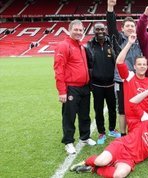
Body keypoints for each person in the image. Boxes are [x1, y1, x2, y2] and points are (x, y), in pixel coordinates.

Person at [70, 89, 148, 178]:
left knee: (119, 175)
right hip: (121, 145)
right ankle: (88, 161)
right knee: (100, 161)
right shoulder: (147, 118)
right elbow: (132, 102)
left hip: (131, 158)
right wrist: (147, 92)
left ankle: (93, 169)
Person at [53, 19, 96, 154]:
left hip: (84, 87)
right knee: (69, 116)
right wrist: (62, 91)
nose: (78, 32)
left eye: (80, 30)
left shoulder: (81, 46)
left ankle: (85, 137)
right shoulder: (64, 45)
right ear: (69, 30)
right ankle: (68, 141)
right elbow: (59, 68)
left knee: (85, 115)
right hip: (71, 87)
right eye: (75, 30)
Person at [107, 0, 143, 136]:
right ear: (122, 29)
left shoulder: (140, 41)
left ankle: (137, 131)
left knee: (137, 106)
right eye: (127, 26)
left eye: (132, 26)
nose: (130, 28)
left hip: (137, 80)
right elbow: (110, 25)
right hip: (121, 80)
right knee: (122, 109)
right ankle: (123, 134)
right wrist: (110, 7)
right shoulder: (117, 39)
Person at [116, 33, 148, 133]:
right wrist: (129, 43)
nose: (142, 66)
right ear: (134, 67)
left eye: (144, 64)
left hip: (147, 115)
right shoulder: (129, 76)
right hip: (133, 118)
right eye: (139, 64)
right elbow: (119, 62)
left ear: (147, 67)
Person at [85, 23, 121, 145]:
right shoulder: (89, 46)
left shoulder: (111, 43)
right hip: (97, 85)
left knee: (112, 108)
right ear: (94, 31)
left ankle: (112, 129)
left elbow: (118, 59)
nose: (100, 31)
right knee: (98, 110)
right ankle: (101, 132)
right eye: (97, 29)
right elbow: (88, 65)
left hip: (111, 84)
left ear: (105, 30)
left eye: (102, 29)